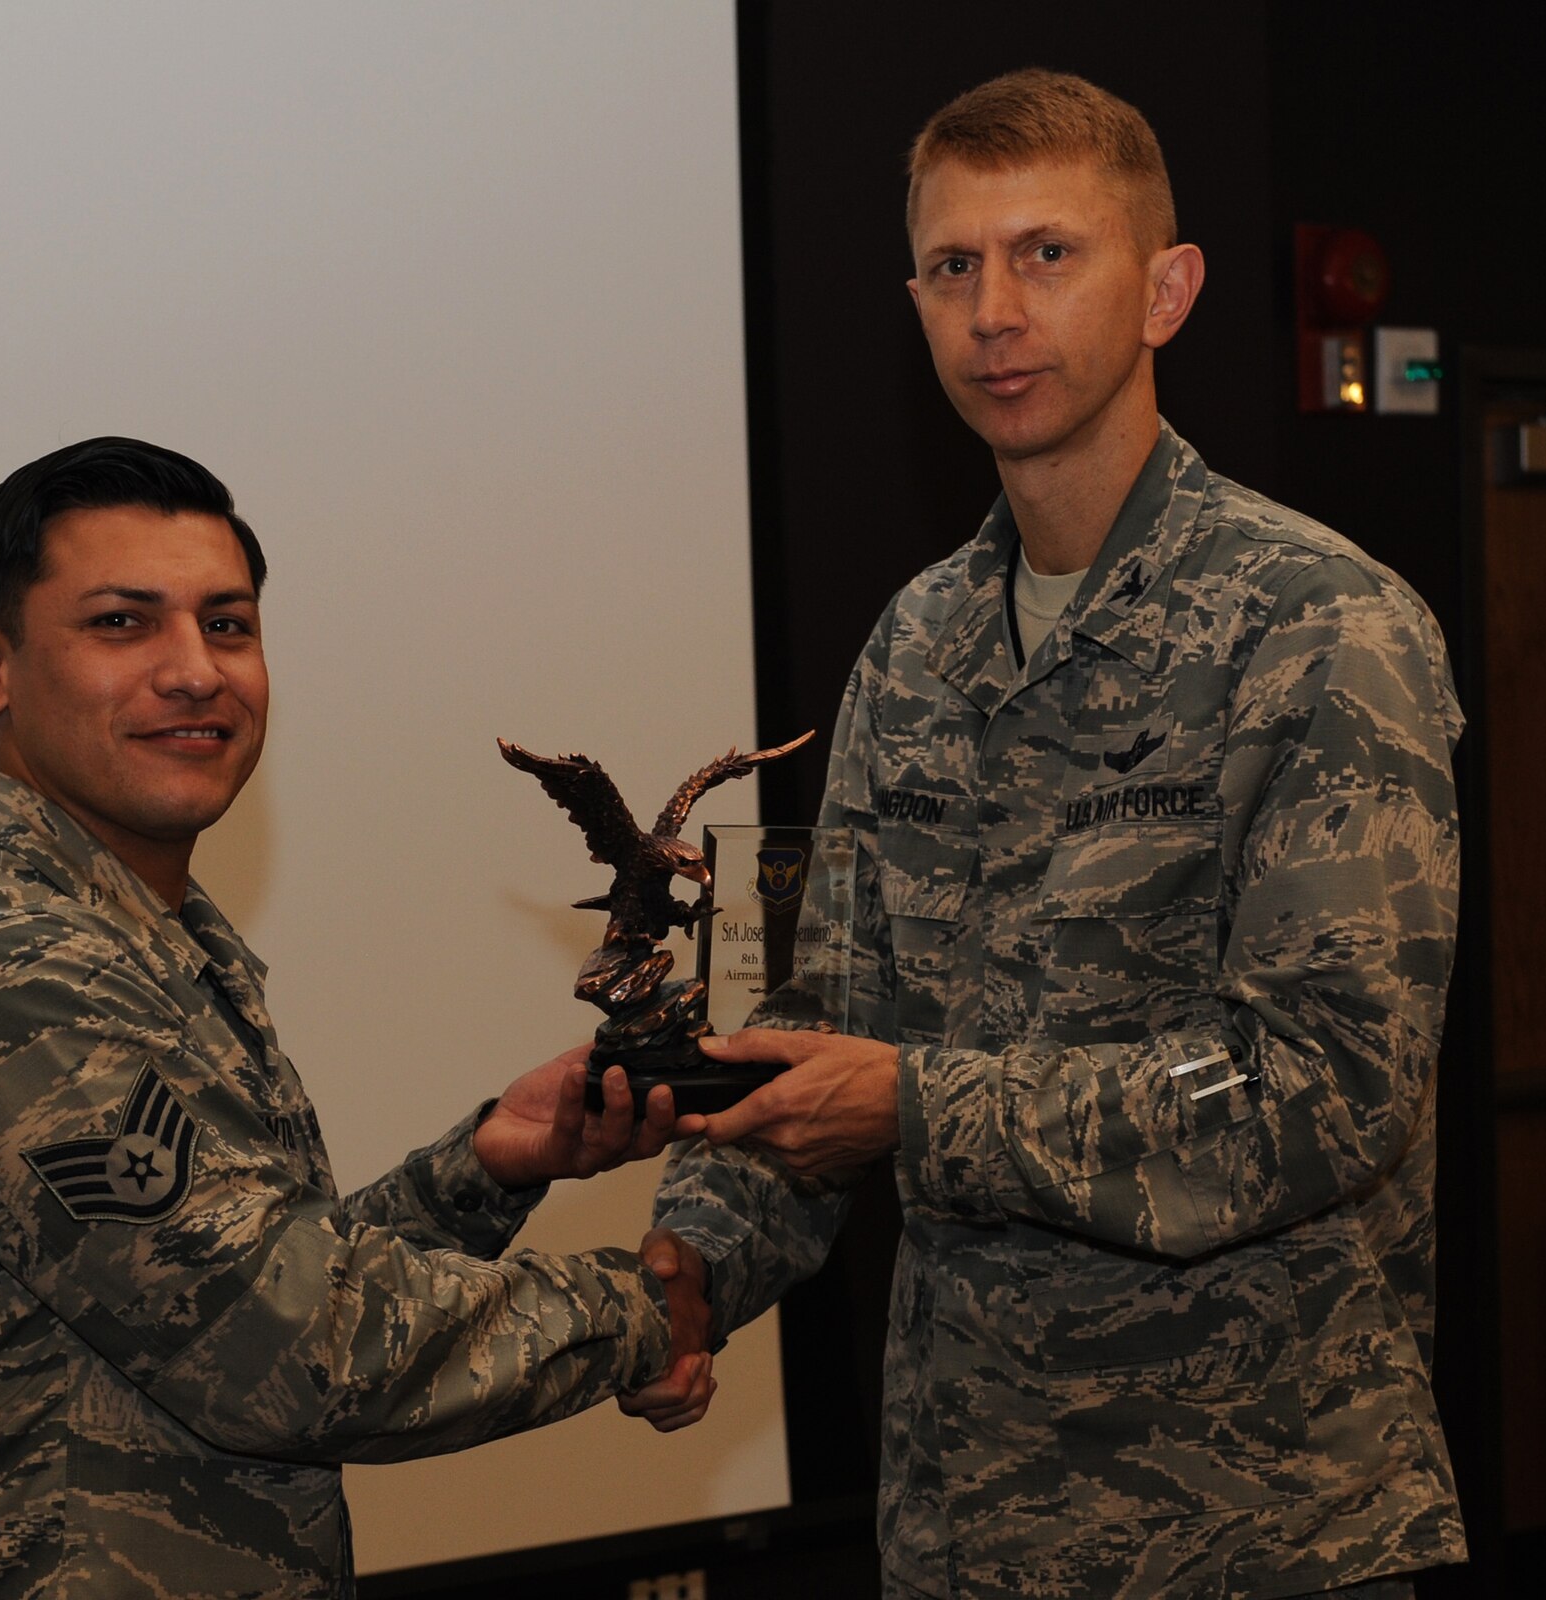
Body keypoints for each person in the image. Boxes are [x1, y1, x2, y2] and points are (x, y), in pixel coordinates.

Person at [626, 71, 1468, 1599]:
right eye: (955, 266)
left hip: (1258, 1538)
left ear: (1167, 290)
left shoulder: (1320, 626)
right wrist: (692, 1263)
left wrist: (924, 1110)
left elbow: (1327, 1081)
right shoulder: (919, 642)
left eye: (1046, 254)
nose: (994, 310)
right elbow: (830, 1018)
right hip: (966, 1529)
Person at [0, 437, 713, 1598]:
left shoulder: (137, 934)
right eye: (122, 623)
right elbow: (292, 1355)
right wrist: (638, 1308)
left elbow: (248, 1280)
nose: (196, 671)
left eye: (227, 624)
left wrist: (482, 1167)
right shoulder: (8, 972)